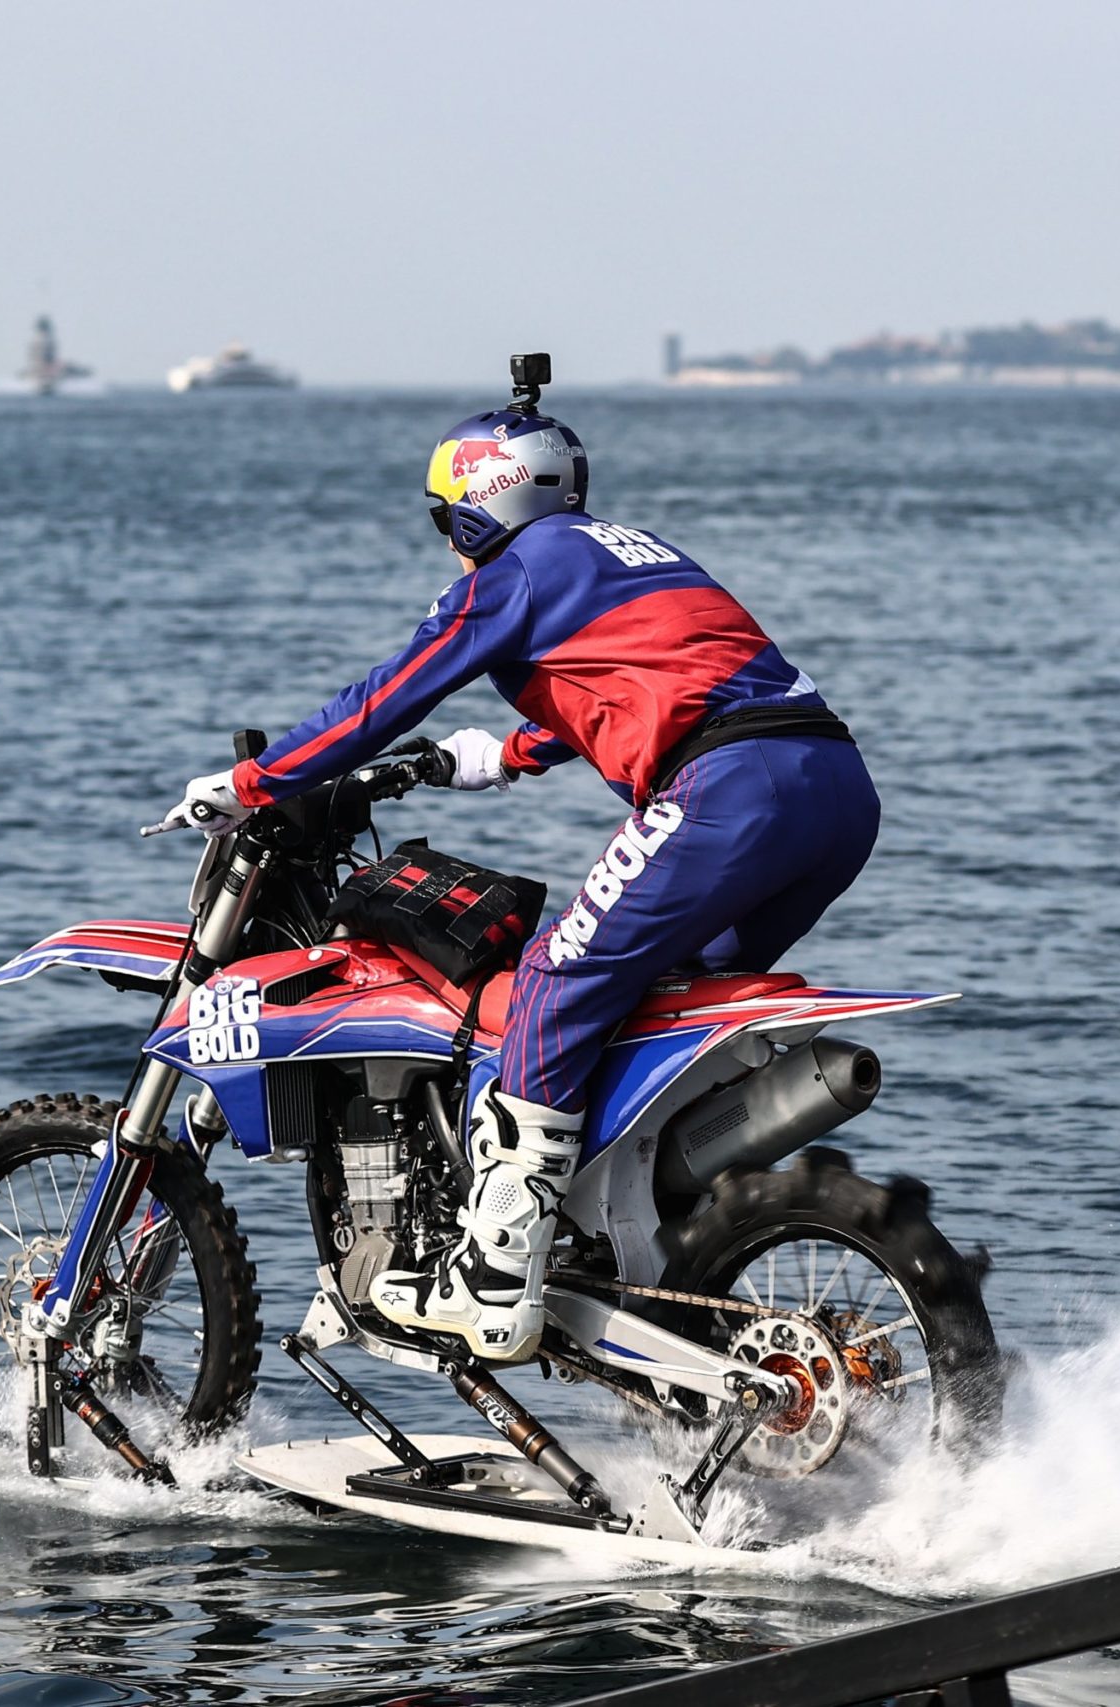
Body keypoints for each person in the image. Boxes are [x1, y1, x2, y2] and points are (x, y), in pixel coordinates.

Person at [155, 367, 879, 1363]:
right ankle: (643, 1242)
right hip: (832, 789)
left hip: (728, 794)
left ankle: (495, 1275)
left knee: (550, 980)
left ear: (482, 506)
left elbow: (381, 701)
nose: (449, 546)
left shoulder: (516, 569)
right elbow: (660, 677)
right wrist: (501, 755)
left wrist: (256, 781)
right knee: (648, 1003)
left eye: (446, 521)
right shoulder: (630, 551)